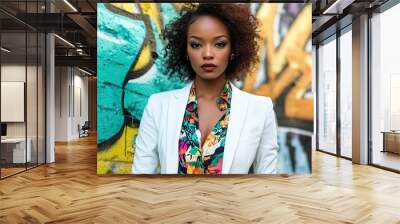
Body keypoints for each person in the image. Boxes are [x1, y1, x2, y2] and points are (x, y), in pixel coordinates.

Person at [132, 3, 278, 174]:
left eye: (220, 44)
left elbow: (268, 181)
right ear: (185, 50)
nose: (208, 54)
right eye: (196, 45)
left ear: (233, 49)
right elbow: (140, 176)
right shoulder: (158, 106)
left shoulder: (260, 109)